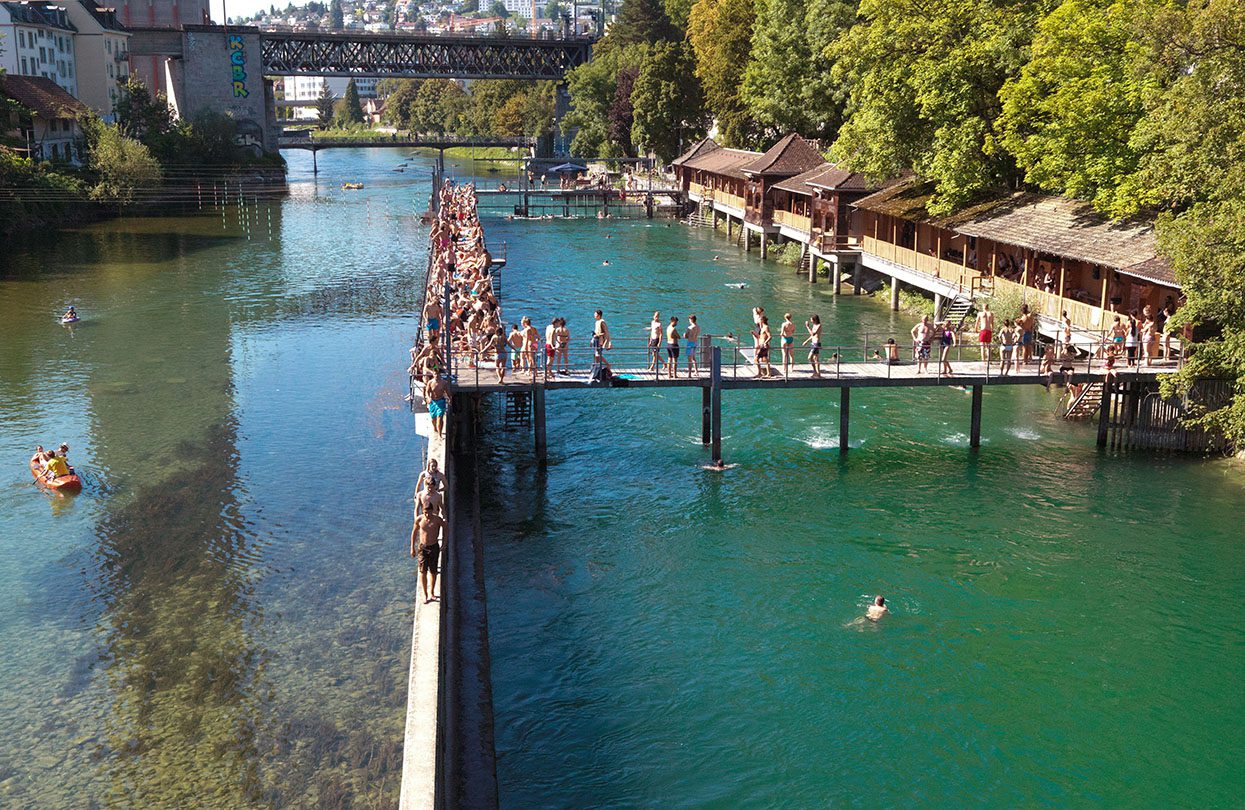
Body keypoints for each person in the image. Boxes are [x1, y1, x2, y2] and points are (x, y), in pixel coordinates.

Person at [411, 504, 446, 604]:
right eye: (425, 512)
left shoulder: (437, 520)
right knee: (423, 572)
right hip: (423, 548)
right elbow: (414, 533)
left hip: (434, 547)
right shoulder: (419, 520)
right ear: (423, 511)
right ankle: (425, 595)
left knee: (433, 571)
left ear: (432, 511)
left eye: (428, 512)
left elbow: (446, 528)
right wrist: (412, 548)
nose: (427, 514)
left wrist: (444, 542)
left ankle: (432, 593)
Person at [780, 313, 796, 378]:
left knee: (784, 354)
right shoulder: (793, 324)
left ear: (785, 317)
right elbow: (793, 331)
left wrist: (784, 336)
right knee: (791, 355)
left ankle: (784, 368)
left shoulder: (784, 324)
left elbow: (781, 333)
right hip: (791, 339)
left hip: (785, 339)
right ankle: (791, 368)